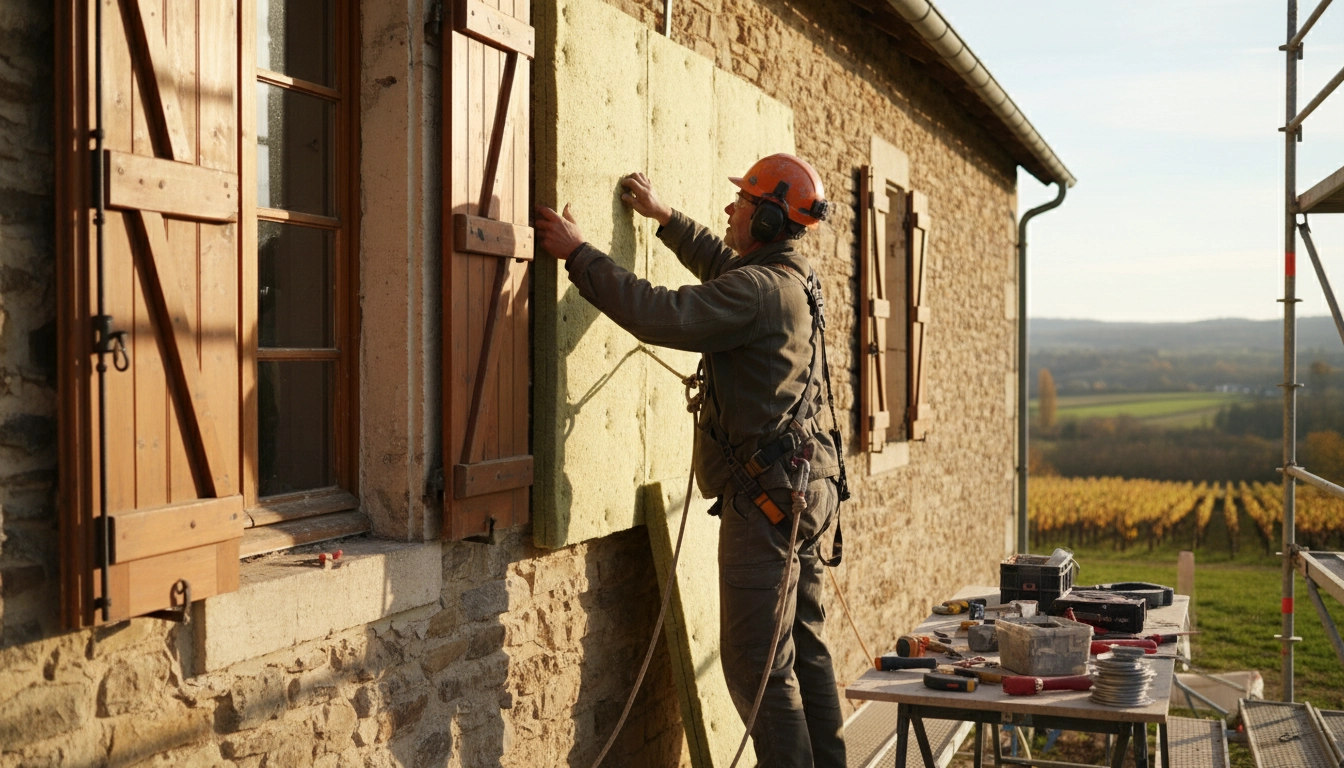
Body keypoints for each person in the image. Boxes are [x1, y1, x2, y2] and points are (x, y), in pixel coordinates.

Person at [535, 154, 847, 768]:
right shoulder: (790, 277)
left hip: (769, 501)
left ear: (767, 220)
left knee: (757, 665)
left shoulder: (759, 291)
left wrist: (579, 254)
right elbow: (723, 266)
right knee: (804, 653)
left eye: (743, 202)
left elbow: (663, 314)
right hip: (803, 489)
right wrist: (667, 217)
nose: (730, 208)